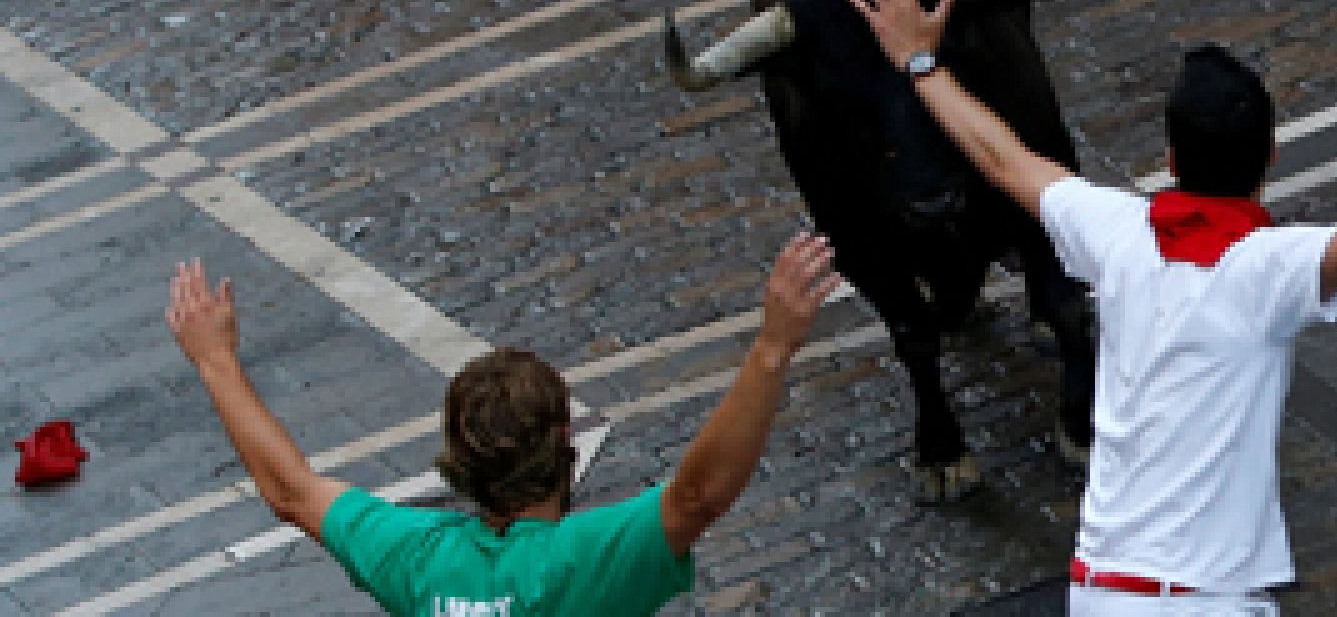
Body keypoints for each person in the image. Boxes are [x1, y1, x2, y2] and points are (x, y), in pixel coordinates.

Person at [845, 0, 1337, 615]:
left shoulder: (1117, 234)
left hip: (1099, 592)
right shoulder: (1265, 269)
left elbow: (1003, 158)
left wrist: (918, 62)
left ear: (1169, 156)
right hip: (1203, 599)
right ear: (1271, 155)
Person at [166, 232, 841, 616]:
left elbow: (289, 489)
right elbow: (698, 495)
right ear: (561, 444)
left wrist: (215, 360)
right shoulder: (588, 563)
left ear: (458, 459)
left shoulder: (414, 557)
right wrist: (772, 346)